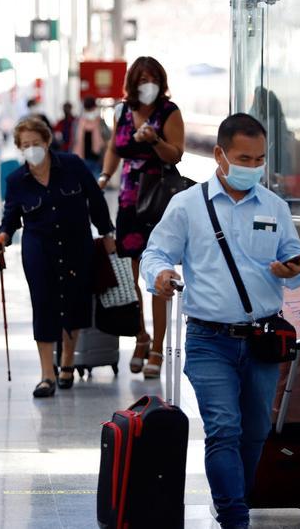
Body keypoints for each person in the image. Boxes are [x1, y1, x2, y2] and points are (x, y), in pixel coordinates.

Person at [141, 113, 300, 529]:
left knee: (255, 432)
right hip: (208, 339)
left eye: (259, 159)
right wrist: (160, 276)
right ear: (219, 155)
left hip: (263, 340)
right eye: (243, 158)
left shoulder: (274, 206)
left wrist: (294, 271)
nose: (252, 167)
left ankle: (233, 497)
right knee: (223, 427)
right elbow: (154, 254)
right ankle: (235, 517)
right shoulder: (188, 206)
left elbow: (297, 261)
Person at [0, 117, 116, 398]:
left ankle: (67, 363)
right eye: (26, 145)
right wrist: (2, 238)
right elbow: (10, 218)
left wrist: (107, 233)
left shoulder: (72, 165)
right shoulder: (16, 181)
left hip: (76, 246)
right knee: (44, 306)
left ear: (47, 142)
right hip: (39, 251)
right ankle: (47, 374)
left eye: (36, 143)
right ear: (19, 149)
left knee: (74, 303)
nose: (32, 149)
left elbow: (95, 200)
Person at [98, 56, 186, 378]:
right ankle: (140, 336)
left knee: (156, 274)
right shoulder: (123, 111)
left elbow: (176, 154)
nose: (146, 84)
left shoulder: (169, 112)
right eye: (141, 78)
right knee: (131, 273)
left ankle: (158, 348)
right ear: (132, 82)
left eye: (152, 78)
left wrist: (155, 141)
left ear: (161, 81)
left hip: (158, 200)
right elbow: (114, 148)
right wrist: (105, 176)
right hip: (128, 202)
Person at [71, 96, 109, 177]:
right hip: (81, 158)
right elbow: (74, 140)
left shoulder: (100, 122)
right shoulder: (78, 122)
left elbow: (107, 137)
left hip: (97, 158)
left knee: (95, 183)